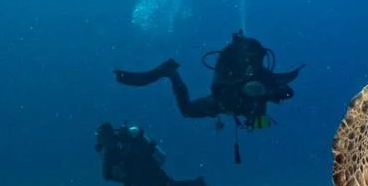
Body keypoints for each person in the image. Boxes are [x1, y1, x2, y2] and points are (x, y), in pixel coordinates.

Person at [115, 30, 302, 131]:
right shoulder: (235, 74)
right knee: (187, 111)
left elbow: (287, 91)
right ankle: (171, 73)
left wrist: (264, 91)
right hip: (221, 103)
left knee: (187, 111)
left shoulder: (264, 77)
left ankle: (170, 73)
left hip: (222, 104)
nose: (251, 64)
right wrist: (248, 91)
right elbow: (218, 89)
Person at [95, 122, 242, 186]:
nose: (99, 139)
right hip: (144, 176)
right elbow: (108, 174)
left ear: (108, 134)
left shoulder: (123, 142)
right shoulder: (110, 151)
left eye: (101, 136)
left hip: (149, 172)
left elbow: (139, 157)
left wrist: (131, 179)